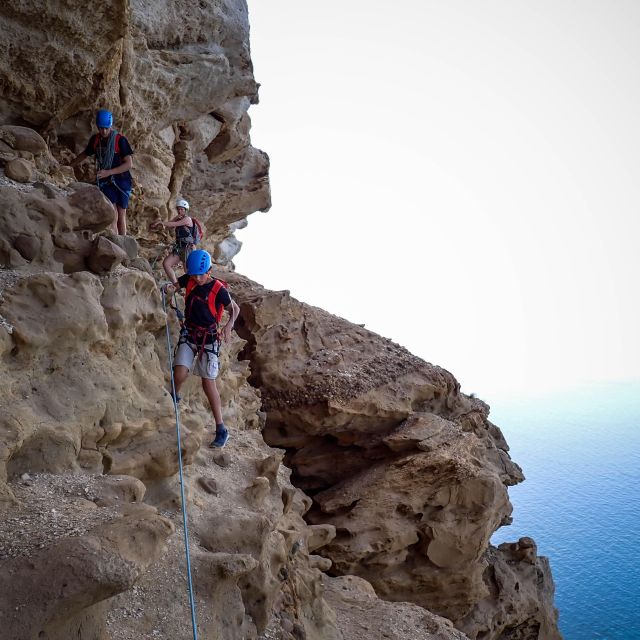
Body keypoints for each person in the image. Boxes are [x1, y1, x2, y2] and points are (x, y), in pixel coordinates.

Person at [163, 249, 239, 448]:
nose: (197, 278)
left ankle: (221, 428)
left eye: (201, 274)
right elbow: (175, 286)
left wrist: (228, 325)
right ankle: (174, 398)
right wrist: (169, 290)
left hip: (209, 338)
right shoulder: (189, 278)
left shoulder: (218, 289)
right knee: (179, 372)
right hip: (189, 332)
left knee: (208, 382)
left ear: (209, 270)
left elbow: (235, 309)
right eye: (194, 274)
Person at [69, 109, 133, 235]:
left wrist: (109, 172)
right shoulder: (96, 140)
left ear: (110, 126)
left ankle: (124, 243)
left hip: (122, 180)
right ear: (97, 126)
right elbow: (85, 154)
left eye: (106, 128)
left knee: (121, 213)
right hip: (106, 182)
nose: (103, 131)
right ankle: (117, 242)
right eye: (101, 128)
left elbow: (129, 164)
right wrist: (70, 165)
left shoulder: (120, 140)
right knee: (113, 214)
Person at [151, 199, 198, 284]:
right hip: (179, 247)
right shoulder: (179, 219)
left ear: (186, 210)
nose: (180, 211)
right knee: (166, 264)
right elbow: (169, 227)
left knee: (187, 271)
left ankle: (193, 288)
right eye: (178, 209)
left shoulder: (187, 219)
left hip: (188, 248)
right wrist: (175, 218)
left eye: (182, 209)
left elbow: (173, 225)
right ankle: (176, 285)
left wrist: (161, 222)